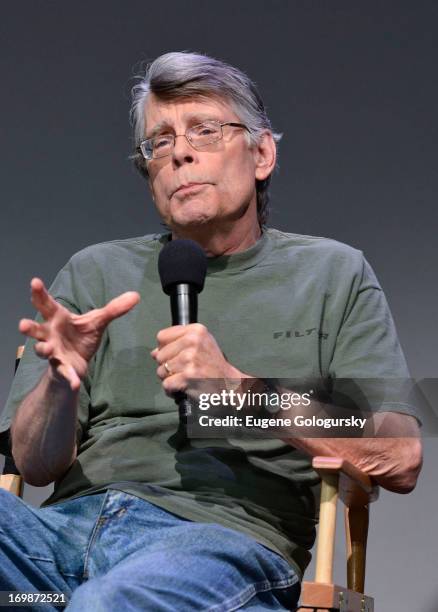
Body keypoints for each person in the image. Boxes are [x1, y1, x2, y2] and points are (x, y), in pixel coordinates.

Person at [0, 51, 422, 611]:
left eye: (205, 129)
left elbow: (400, 451)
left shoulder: (332, 273)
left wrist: (237, 392)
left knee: (107, 603)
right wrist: (60, 382)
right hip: (55, 547)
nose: (180, 152)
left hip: (215, 540)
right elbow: (34, 465)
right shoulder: (95, 271)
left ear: (263, 153)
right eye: (160, 141)